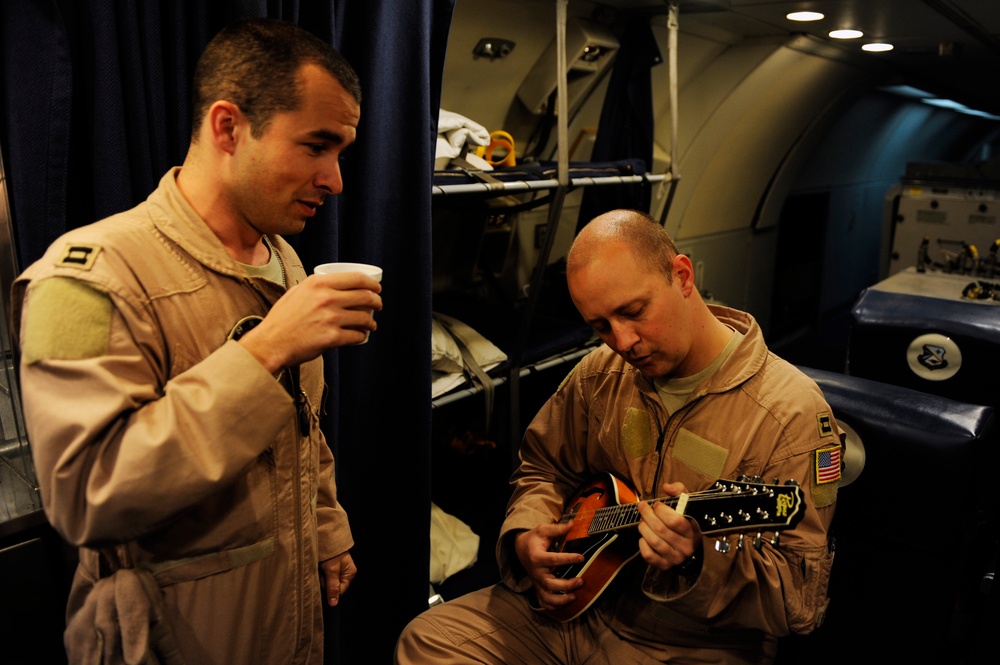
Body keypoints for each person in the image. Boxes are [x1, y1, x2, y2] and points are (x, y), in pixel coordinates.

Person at [12, 17, 379, 665]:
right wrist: (263, 352)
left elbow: (302, 429)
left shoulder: (285, 261)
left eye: (341, 154)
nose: (335, 180)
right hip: (172, 635)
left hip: (285, 616)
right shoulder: (86, 279)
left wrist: (328, 529)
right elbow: (84, 498)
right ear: (228, 127)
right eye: (316, 146)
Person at [396, 209, 841, 664]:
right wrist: (527, 535)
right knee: (427, 640)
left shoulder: (791, 412)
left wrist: (698, 561)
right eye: (601, 326)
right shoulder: (598, 377)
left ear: (682, 276)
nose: (623, 342)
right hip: (579, 606)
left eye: (634, 312)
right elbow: (543, 468)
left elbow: (798, 600)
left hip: (695, 642)